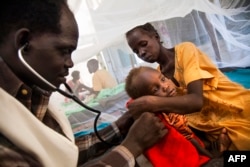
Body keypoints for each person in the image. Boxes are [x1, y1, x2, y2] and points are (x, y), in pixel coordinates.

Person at [0, 2, 168, 167]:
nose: (70, 63)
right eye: (64, 51)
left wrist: (119, 127)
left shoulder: (31, 96)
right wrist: (132, 146)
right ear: (23, 42)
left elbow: (63, 153)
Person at [125, 23, 250, 155]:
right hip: (219, 130)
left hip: (238, 109)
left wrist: (152, 102)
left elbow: (196, 101)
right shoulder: (157, 76)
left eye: (143, 44)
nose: (141, 52)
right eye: (136, 51)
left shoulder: (185, 51)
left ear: (156, 36)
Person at [125, 66, 214, 166]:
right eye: (155, 89)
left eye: (163, 79)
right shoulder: (164, 119)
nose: (165, 86)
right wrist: (211, 158)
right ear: (145, 100)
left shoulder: (171, 103)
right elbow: (190, 140)